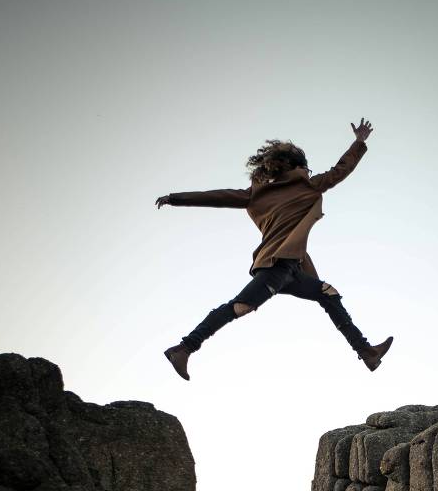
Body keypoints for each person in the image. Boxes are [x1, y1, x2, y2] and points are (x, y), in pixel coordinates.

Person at [156, 118, 393, 380]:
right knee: (240, 306)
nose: (309, 170)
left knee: (328, 294)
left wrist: (176, 198)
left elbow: (217, 195)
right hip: (276, 266)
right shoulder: (306, 185)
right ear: (296, 166)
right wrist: (359, 142)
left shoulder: (257, 194)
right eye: (305, 166)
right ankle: (184, 348)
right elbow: (341, 170)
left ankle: (367, 352)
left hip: (291, 268)